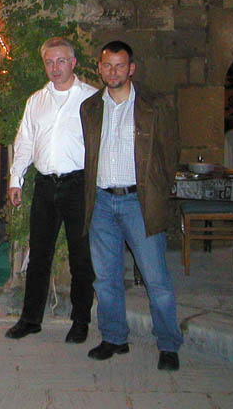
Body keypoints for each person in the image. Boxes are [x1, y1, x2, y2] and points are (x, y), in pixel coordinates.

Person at [80, 40, 183, 371]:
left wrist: (156, 193)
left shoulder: (155, 105)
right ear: (99, 68)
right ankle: (114, 338)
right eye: (107, 65)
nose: (113, 72)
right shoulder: (90, 108)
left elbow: (170, 153)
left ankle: (168, 343)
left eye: (120, 65)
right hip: (101, 202)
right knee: (106, 278)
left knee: (156, 279)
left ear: (131, 68)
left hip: (138, 202)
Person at [5, 37, 97, 344]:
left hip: (78, 186)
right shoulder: (37, 100)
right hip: (45, 185)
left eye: (61, 61)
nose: (55, 68)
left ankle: (80, 321)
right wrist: (16, 179)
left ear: (73, 63)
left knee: (81, 257)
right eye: (49, 62)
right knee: (39, 255)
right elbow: (25, 141)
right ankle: (30, 319)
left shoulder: (91, 99)